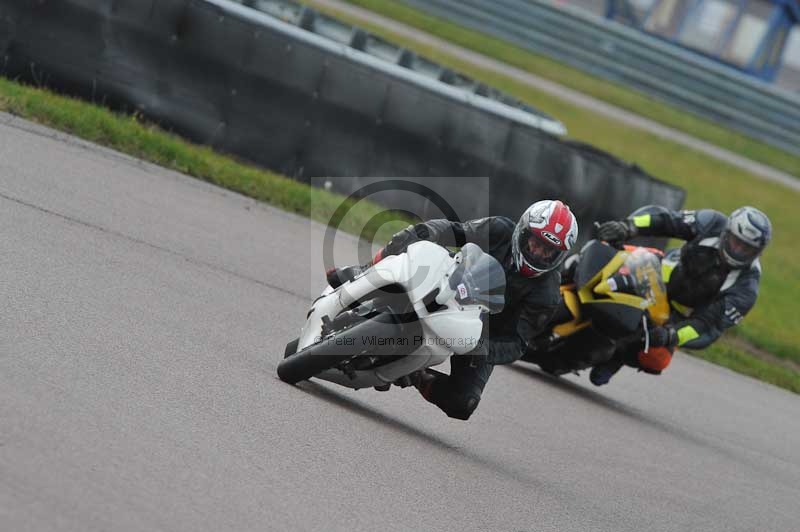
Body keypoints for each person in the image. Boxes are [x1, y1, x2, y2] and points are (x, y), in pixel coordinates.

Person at [326, 200, 578, 420]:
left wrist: (478, 346)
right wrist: (425, 234)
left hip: (478, 333)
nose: (538, 253)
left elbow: (517, 342)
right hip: (450, 283)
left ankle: (415, 373)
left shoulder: (547, 293)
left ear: (558, 256)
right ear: (523, 232)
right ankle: (364, 272)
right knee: (413, 240)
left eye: (548, 251)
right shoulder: (500, 229)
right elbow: (455, 232)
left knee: (462, 403)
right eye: (536, 243)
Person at [590, 205, 772, 385]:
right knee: (610, 251)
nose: (738, 251)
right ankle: (567, 276)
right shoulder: (711, 223)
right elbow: (667, 220)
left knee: (657, 358)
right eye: (736, 242)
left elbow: (707, 327)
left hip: (676, 317)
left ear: (758, 253)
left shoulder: (746, 289)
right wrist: (629, 226)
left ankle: (616, 358)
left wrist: (671, 335)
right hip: (655, 270)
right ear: (727, 232)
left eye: (746, 249)